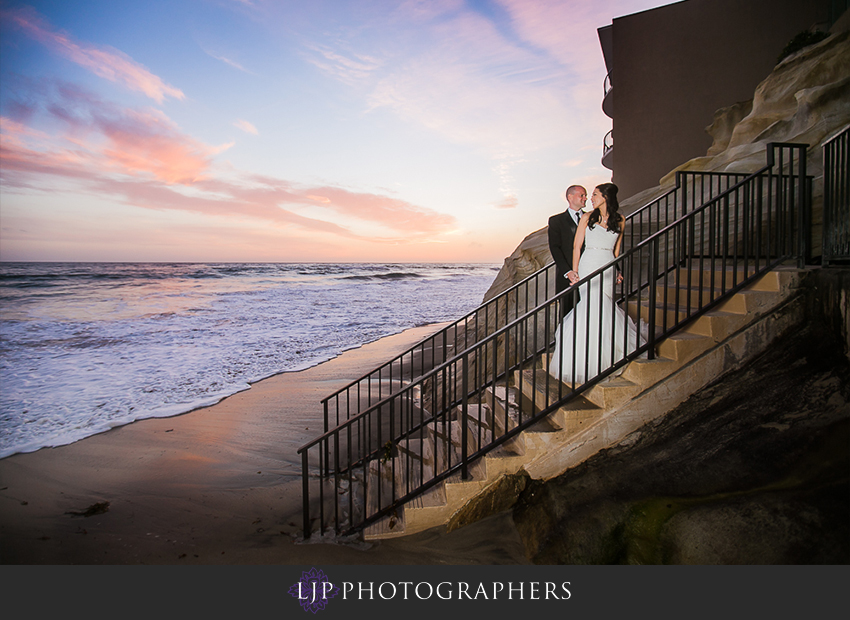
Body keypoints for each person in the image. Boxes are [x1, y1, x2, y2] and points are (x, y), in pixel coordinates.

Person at [549, 183, 644, 385]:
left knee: (606, 308)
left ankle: (606, 356)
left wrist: (617, 269)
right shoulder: (587, 217)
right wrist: (574, 272)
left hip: (608, 266)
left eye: (594, 195)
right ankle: (585, 358)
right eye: (589, 195)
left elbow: (616, 250)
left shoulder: (621, 220)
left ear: (605, 197)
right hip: (589, 264)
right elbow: (576, 247)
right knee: (590, 307)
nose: (591, 198)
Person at [548, 185, 587, 319]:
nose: (585, 198)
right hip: (567, 279)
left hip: (590, 271)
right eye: (581, 195)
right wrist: (568, 272)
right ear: (570, 197)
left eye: (585, 195)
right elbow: (555, 248)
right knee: (567, 317)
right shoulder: (556, 221)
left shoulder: (591, 219)